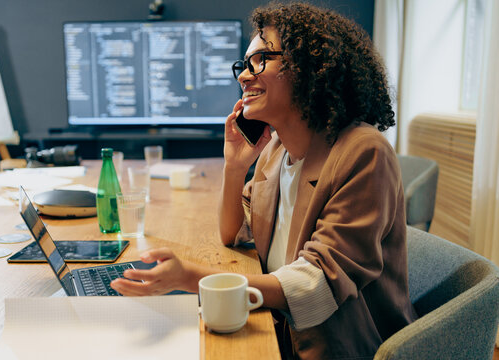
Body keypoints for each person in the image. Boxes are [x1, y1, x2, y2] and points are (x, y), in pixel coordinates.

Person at [111, 2, 417, 358]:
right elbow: (234, 233)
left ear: (310, 68)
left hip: (338, 346)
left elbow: (318, 285)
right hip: (278, 327)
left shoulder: (364, 151)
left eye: (261, 60)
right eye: (243, 64)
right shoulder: (274, 149)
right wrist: (234, 167)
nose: (243, 75)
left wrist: (191, 279)